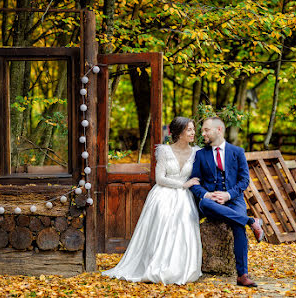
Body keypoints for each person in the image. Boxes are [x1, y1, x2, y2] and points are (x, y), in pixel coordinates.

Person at [102, 117, 202, 285]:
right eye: (189, 130)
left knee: (184, 227)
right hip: (163, 194)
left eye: (193, 129)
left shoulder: (196, 152)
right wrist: (183, 184)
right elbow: (159, 178)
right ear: (179, 133)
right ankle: (155, 266)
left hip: (184, 198)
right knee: (161, 228)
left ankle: (179, 268)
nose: (193, 133)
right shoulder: (164, 151)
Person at [189, 116, 264, 288]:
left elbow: (244, 180)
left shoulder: (237, 152)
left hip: (233, 199)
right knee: (204, 204)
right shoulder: (201, 155)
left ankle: (242, 275)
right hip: (211, 202)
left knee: (238, 225)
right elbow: (193, 181)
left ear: (219, 130)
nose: (203, 133)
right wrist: (207, 194)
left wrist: (228, 195)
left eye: (206, 129)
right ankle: (252, 222)